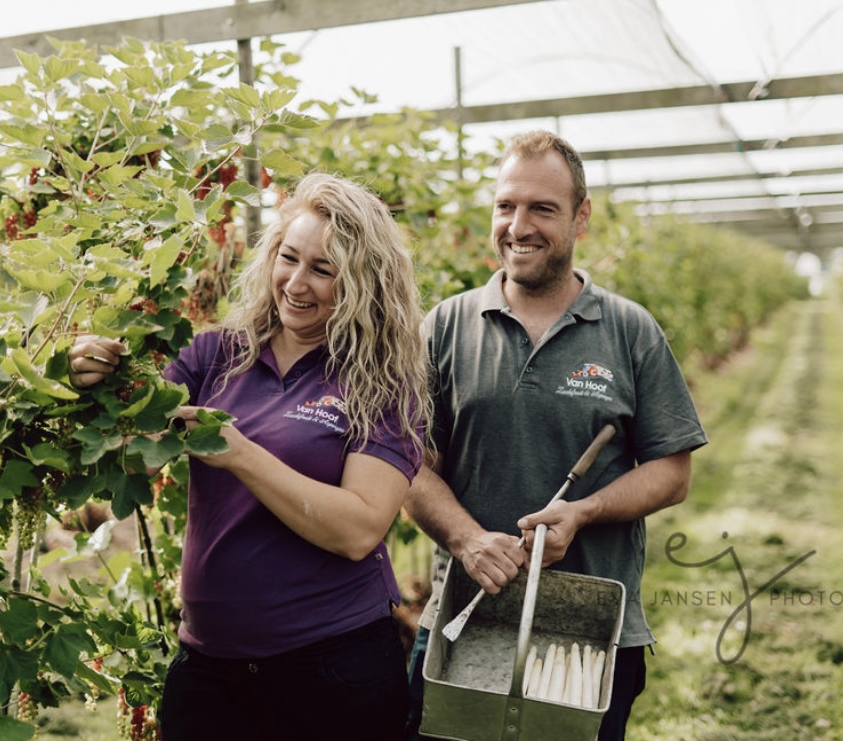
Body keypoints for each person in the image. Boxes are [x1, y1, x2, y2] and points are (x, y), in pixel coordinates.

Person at [68, 172, 429, 741]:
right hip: (210, 671)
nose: (296, 283)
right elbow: (132, 463)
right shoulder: (214, 355)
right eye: (289, 258)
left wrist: (239, 453)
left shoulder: (379, 385)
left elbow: (359, 529)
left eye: (323, 269)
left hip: (331, 673)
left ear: (363, 283)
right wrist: (96, 378)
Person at [404, 130, 708, 740]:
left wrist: (584, 512)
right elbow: (407, 465)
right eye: (506, 206)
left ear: (581, 216)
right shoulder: (445, 327)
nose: (519, 226)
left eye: (542, 208)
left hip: (586, 637)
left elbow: (672, 473)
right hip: (463, 623)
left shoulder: (629, 331)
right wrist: (468, 540)